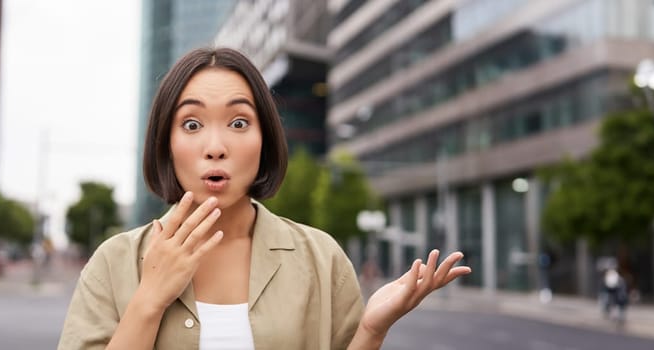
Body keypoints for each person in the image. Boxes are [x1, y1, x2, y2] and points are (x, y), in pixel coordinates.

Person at [58, 48, 471, 349]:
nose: (215, 146)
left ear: (264, 140)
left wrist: (371, 331)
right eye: (192, 123)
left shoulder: (321, 258)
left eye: (239, 122)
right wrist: (149, 299)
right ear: (166, 144)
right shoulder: (113, 263)